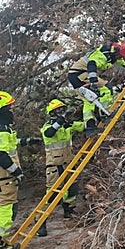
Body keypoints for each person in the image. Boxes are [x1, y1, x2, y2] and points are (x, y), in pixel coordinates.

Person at [67, 40, 125, 138]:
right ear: (116, 51)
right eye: (119, 56)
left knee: (89, 101)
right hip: (80, 74)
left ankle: (90, 127)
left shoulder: (114, 56)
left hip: (75, 76)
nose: (120, 58)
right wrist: (94, 82)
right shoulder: (103, 55)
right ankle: (104, 113)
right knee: (106, 89)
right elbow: (91, 64)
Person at [36, 99, 85, 237]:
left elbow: (81, 126)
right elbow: (49, 133)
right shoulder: (47, 126)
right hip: (54, 166)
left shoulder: (66, 125)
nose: (62, 112)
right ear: (52, 112)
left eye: (62, 110)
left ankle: (68, 211)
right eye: (59, 110)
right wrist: (61, 120)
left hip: (68, 163)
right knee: (52, 195)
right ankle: (40, 222)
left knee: (72, 188)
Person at [0, 91, 42, 249]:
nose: (12, 111)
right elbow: (1, 154)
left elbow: (10, 144)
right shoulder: (1, 130)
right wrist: (16, 171)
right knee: (6, 210)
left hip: (4, 179)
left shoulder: (4, 129)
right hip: (5, 180)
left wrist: (28, 141)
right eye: (9, 108)